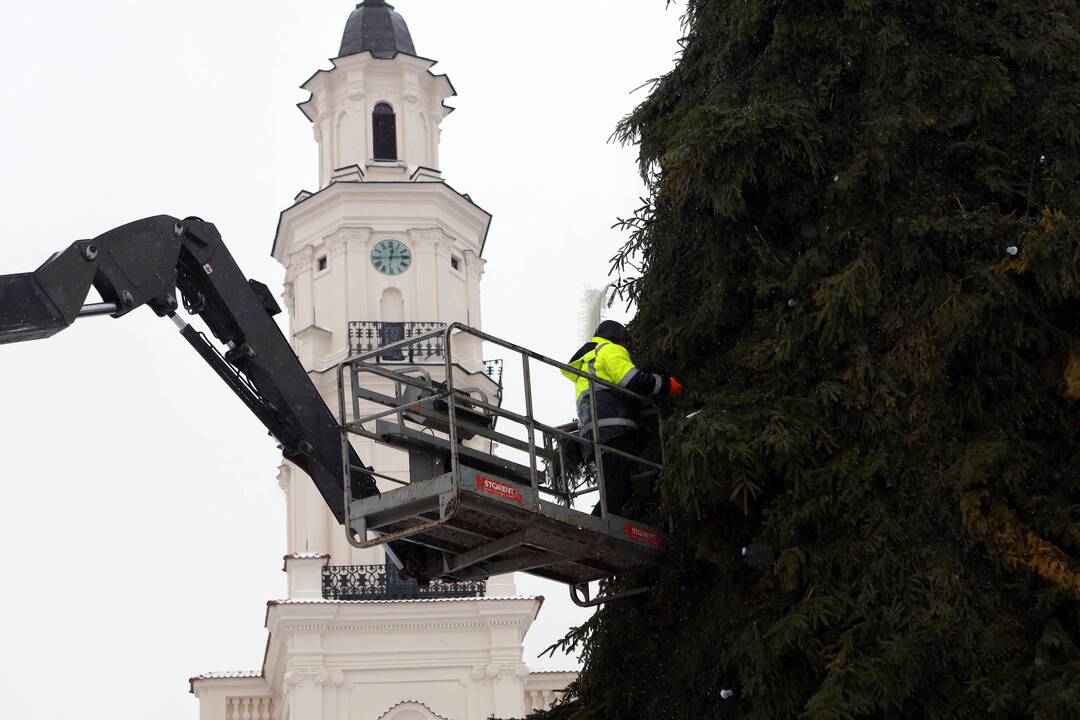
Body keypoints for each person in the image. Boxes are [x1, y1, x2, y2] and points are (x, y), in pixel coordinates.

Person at [561, 320, 682, 516]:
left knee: (617, 483)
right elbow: (632, 380)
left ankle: (601, 522)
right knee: (616, 487)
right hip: (614, 427)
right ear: (617, 338)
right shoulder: (610, 350)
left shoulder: (586, 362)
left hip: (592, 431)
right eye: (626, 343)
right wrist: (667, 385)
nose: (627, 348)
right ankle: (597, 525)